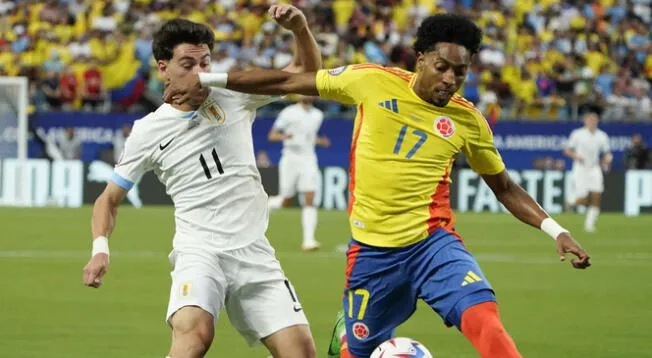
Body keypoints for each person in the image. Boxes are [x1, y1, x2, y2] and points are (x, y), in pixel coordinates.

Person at [164, 14, 591, 358]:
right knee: (354, 350)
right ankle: (348, 334)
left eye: (460, 72)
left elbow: (504, 188)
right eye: (441, 67)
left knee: (485, 320)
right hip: (372, 257)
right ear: (420, 58)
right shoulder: (369, 80)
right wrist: (209, 79)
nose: (449, 79)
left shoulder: (467, 120)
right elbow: (287, 82)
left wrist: (556, 230)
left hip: (433, 245)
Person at [82, 6, 321, 358]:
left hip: (254, 250)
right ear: (163, 68)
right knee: (194, 337)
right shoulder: (148, 130)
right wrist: (100, 249)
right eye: (188, 65)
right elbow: (109, 198)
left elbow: (307, 76)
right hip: (200, 251)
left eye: (206, 63)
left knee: (301, 353)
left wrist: (300, 27)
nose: (200, 73)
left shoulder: (233, 94)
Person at [268, 96, 330, 251]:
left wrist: (319, 141)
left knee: (310, 197)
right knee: (285, 200)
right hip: (290, 157)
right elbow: (272, 135)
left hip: (308, 158)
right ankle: (261, 209)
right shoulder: (288, 112)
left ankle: (309, 241)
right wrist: (284, 136)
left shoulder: (318, 115)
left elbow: (308, 136)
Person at [564, 112, 612, 232]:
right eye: (589, 120)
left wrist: (606, 159)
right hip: (580, 168)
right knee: (584, 198)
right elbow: (567, 150)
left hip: (594, 168)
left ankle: (589, 224)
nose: (592, 122)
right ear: (585, 121)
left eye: (594, 120)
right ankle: (570, 201)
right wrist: (576, 156)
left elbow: (607, 152)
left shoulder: (602, 136)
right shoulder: (577, 134)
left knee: (596, 196)